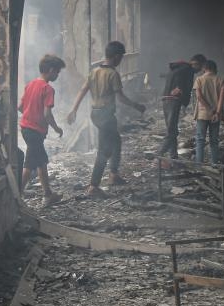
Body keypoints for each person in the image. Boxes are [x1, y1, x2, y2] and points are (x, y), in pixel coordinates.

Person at [67, 41, 146, 198]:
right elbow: (121, 98)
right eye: (121, 57)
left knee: (116, 141)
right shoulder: (112, 74)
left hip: (95, 113)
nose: (121, 60)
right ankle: (93, 186)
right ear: (116, 57)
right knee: (104, 150)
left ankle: (113, 174)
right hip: (106, 116)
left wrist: (73, 110)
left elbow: (82, 91)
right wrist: (136, 106)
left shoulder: (94, 72)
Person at [18, 54, 66, 206]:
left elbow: (20, 107)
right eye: (57, 72)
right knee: (30, 163)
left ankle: (47, 194)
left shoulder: (30, 84)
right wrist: (57, 128)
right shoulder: (47, 89)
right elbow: (47, 114)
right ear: (51, 70)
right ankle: (18, 193)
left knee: (40, 161)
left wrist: (29, 115)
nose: (57, 75)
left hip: (25, 128)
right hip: (35, 131)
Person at [157, 54, 206, 159]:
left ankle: (173, 156)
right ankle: (159, 153)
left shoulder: (180, 67)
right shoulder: (187, 69)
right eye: (201, 67)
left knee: (172, 129)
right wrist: (178, 89)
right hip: (173, 100)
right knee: (172, 131)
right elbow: (181, 83)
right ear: (196, 63)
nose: (200, 70)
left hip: (167, 99)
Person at [194, 59, 224, 165]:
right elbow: (222, 99)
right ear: (214, 68)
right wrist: (217, 113)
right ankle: (214, 165)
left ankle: (199, 165)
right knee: (214, 141)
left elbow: (199, 97)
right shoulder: (220, 80)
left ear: (204, 68)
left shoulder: (199, 80)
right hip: (216, 116)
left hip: (202, 114)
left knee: (200, 140)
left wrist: (209, 110)